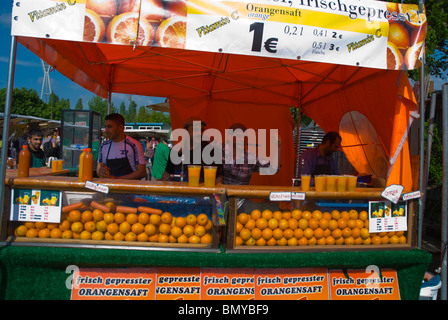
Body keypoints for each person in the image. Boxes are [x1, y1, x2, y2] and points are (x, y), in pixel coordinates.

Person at [163, 117, 223, 182]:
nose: (199, 133)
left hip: (202, 191)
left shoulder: (210, 150)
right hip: (179, 190)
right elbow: (167, 174)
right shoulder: (177, 150)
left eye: (201, 130)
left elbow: (219, 177)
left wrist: (216, 191)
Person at [97, 113, 146, 180]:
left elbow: (142, 172)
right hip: (110, 188)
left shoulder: (134, 145)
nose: (106, 130)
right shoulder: (104, 145)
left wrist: (118, 179)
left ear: (120, 127)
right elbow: (99, 168)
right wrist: (101, 172)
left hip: (129, 188)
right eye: (105, 127)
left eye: (110, 127)